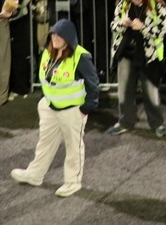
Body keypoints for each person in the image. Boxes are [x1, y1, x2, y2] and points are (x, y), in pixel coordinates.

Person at [10, 19, 99, 198]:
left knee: (73, 147)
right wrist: (45, 102)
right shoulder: (47, 52)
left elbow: (93, 84)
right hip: (50, 107)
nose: (55, 38)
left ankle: (72, 182)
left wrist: (85, 108)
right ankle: (35, 174)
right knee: (45, 143)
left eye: (60, 35)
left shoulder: (80, 57)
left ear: (69, 38)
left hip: (72, 110)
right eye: (53, 35)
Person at [107, 0, 166, 136]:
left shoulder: (158, 7)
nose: (134, 0)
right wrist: (123, 23)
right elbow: (113, 25)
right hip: (126, 52)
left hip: (148, 55)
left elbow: (161, 31)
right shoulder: (123, 4)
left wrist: (143, 27)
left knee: (151, 91)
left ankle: (157, 124)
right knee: (124, 90)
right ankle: (125, 122)